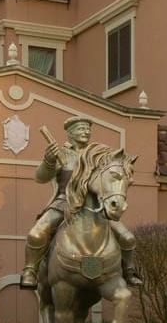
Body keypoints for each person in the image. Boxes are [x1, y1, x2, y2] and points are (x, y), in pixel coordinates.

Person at [20, 116, 140, 289]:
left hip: (94, 206)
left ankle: (129, 271)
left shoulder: (99, 155)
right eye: (81, 128)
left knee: (127, 237)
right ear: (69, 133)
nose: (86, 132)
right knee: (36, 233)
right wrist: (49, 160)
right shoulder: (62, 154)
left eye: (88, 129)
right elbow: (40, 178)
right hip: (64, 203)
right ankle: (30, 270)